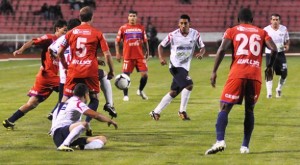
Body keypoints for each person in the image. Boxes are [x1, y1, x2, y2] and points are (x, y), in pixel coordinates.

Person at [205, 8, 277, 155]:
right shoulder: (262, 32)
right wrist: (269, 67)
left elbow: (222, 50)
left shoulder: (232, 30)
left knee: (224, 106)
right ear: (252, 20)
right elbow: (274, 49)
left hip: (237, 73)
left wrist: (214, 71)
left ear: (238, 19)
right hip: (255, 75)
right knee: (249, 110)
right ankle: (245, 146)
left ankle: (220, 141)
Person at [57, 6, 114, 136]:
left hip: (74, 70)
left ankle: (56, 124)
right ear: (91, 18)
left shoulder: (70, 33)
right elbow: (107, 54)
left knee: (65, 99)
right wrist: (111, 71)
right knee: (94, 98)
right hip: (90, 71)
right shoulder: (97, 33)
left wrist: (66, 66)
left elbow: (59, 53)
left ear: (80, 18)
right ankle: (87, 122)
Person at [2, 19, 68, 130]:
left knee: (32, 103)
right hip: (48, 75)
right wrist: (21, 50)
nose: (66, 33)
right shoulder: (49, 38)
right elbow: (33, 41)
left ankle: (10, 120)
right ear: (57, 29)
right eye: (64, 30)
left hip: (44, 77)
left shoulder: (63, 42)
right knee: (70, 89)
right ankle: (54, 113)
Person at [47, 19, 117, 120]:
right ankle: (108, 104)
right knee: (93, 94)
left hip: (67, 74)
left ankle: (56, 117)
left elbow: (53, 50)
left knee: (65, 99)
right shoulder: (84, 35)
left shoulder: (64, 37)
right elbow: (84, 53)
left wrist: (60, 62)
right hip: (84, 70)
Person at [149, 14, 205, 121]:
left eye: (185, 23)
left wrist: (201, 53)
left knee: (174, 92)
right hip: (175, 66)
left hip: (185, 67)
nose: (183, 25)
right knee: (189, 85)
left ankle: (155, 112)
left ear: (189, 24)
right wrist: (161, 58)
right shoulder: (173, 35)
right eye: (181, 23)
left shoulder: (195, 33)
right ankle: (182, 111)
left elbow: (202, 47)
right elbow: (160, 46)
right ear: (179, 24)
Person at [50, 83, 118, 152]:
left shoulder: (68, 101)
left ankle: (82, 147)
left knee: (102, 139)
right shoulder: (77, 103)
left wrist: (88, 129)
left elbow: (55, 114)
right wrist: (110, 120)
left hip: (66, 135)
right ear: (85, 94)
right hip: (60, 134)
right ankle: (64, 145)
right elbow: (96, 115)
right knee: (84, 124)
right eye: (88, 94)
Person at [115, 10, 150, 101]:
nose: (132, 17)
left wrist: (147, 52)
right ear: (128, 17)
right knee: (125, 77)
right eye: (130, 16)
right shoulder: (123, 28)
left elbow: (145, 41)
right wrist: (117, 53)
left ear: (136, 17)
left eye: (134, 16)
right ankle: (126, 95)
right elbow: (117, 42)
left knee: (145, 75)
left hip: (139, 56)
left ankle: (140, 90)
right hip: (128, 56)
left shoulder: (141, 28)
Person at [264, 13, 290, 98]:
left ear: (279, 20)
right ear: (271, 21)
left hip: (280, 53)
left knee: (284, 72)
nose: (275, 21)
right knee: (269, 71)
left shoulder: (284, 29)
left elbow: (287, 40)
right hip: (269, 53)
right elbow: (263, 41)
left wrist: (287, 45)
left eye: (277, 20)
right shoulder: (266, 30)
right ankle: (269, 93)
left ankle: (278, 89)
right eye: (273, 20)